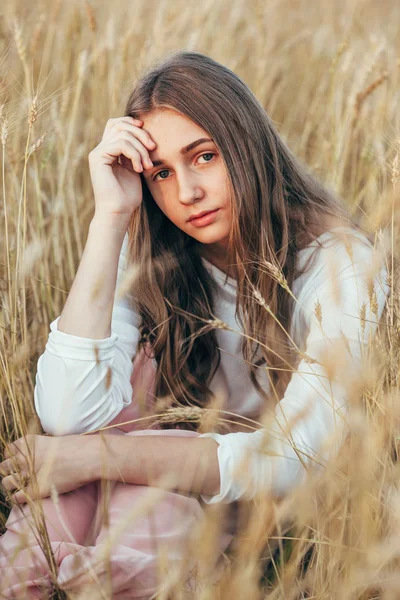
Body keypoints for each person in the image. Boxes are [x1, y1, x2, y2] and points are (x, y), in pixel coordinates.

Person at [0, 49, 390, 598]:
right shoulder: (151, 252)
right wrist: (110, 218)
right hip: (162, 487)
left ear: (245, 144)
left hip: (265, 513)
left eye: (204, 157)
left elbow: (292, 454)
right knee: (67, 501)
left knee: (113, 491)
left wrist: (94, 456)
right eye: (161, 172)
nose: (185, 193)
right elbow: (67, 415)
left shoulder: (337, 260)